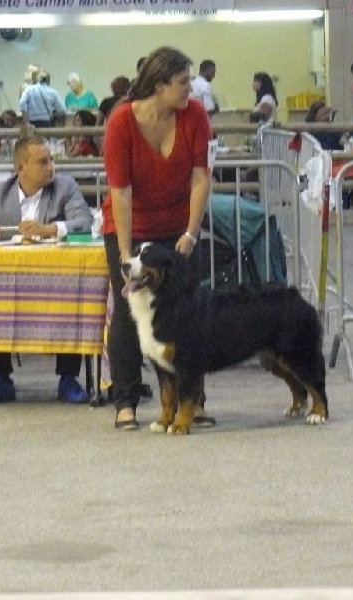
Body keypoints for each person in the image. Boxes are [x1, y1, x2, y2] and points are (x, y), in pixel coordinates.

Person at [102, 46, 213, 430]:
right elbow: (121, 191)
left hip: (179, 225)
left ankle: (193, 401)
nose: (190, 89)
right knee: (129, 309)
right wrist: (125, 252)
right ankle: (126, 401)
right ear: (160, 85)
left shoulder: (195, 115)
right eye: (183, 82)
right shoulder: (121, 122)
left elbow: (201, 177)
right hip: (130, 224)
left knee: (189, 313)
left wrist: (191, 233)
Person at [0, 135, 95, 405]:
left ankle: (68, 379)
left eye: (51, 160)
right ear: (21, 168)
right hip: (7, 281)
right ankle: (0, 381)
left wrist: (51, 229)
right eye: (43, 162)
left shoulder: (65, 187)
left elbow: (85, 222)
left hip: (56, 280)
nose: (51, 167)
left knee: (72, 300)